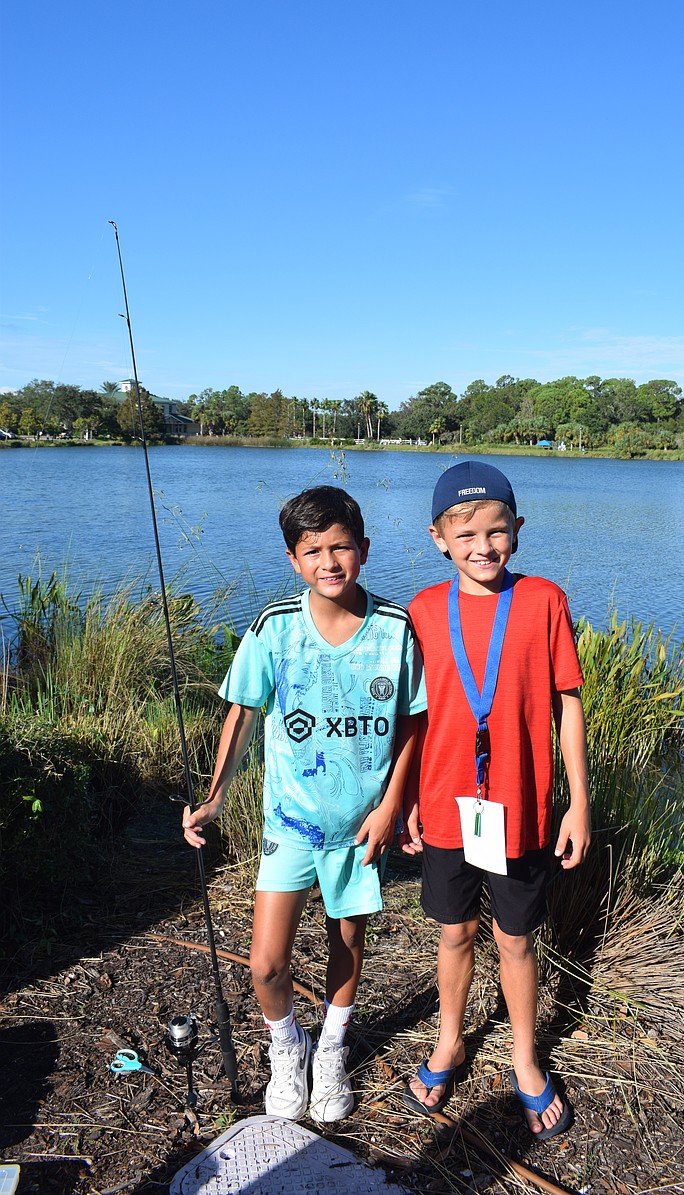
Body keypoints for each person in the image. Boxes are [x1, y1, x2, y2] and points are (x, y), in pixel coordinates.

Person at [183, 486, 426, 1124]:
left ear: (364, 549)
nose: (329, 560)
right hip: (288, 825)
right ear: (294, 560)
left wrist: (391, 807)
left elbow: (411, 724)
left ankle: (332, 1050)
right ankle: (287, 1047)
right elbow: (242, 713)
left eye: (340, 545)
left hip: (358, 827)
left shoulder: (396, 629)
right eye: (312, 549)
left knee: (345, 941)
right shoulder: (274, 627)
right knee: (267, 962)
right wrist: (213, 798)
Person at [402, 461, 590, 1139]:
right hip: (447, 802)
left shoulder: (544, 600)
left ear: (516, 529)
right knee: (455, 931)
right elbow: (417, 717)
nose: (483, 545)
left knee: (516, 938)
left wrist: (578, 801)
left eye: (497, 530)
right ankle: (450, 1039)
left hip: (520, 807)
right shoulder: (423, 610)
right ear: (438, 538)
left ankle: (524, 1055)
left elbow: (569, 702)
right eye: (466, 532)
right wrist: (408, 799)